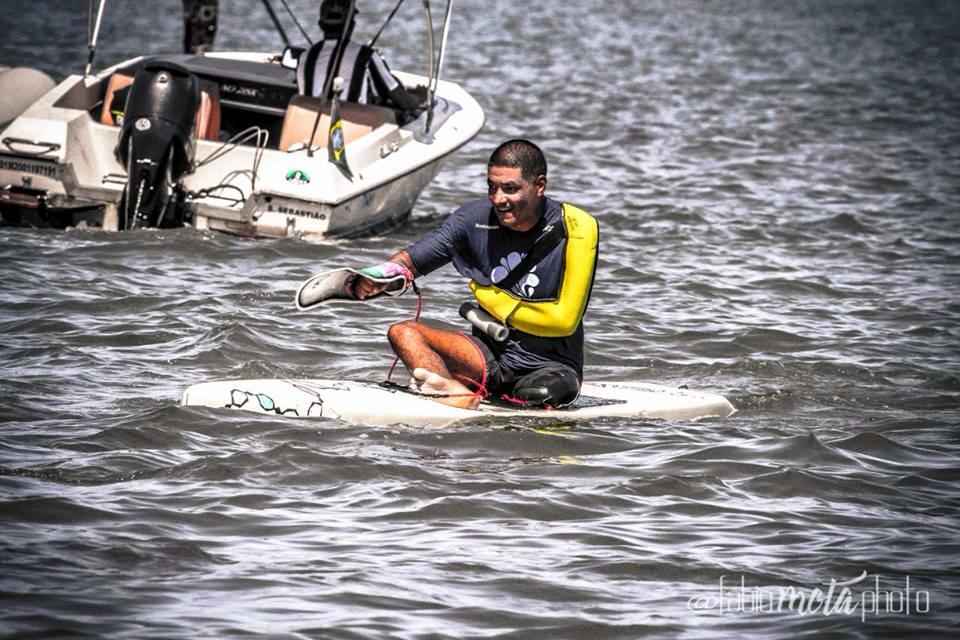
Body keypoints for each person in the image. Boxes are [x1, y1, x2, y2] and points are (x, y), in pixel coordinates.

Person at [353, 139, 600, 410]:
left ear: (539, 186)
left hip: (549, 365)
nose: (498, 199)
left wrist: (483, 292)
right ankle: (453, 394)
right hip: (486, 357)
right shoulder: (472, 218)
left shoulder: (576, 225)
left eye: (510, 189)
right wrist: (371, 278)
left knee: (540, 393)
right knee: (403, 333)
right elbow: (411, 260)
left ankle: (448, 389)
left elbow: (563, 321)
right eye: (492, 187)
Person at [296, 0, 421, 112]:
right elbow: (403, 100)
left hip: (307, 129)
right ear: (351, 25)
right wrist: (421, 97)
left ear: (320, 25)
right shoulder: (366, 55)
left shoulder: (304, 57)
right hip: (351, 131)